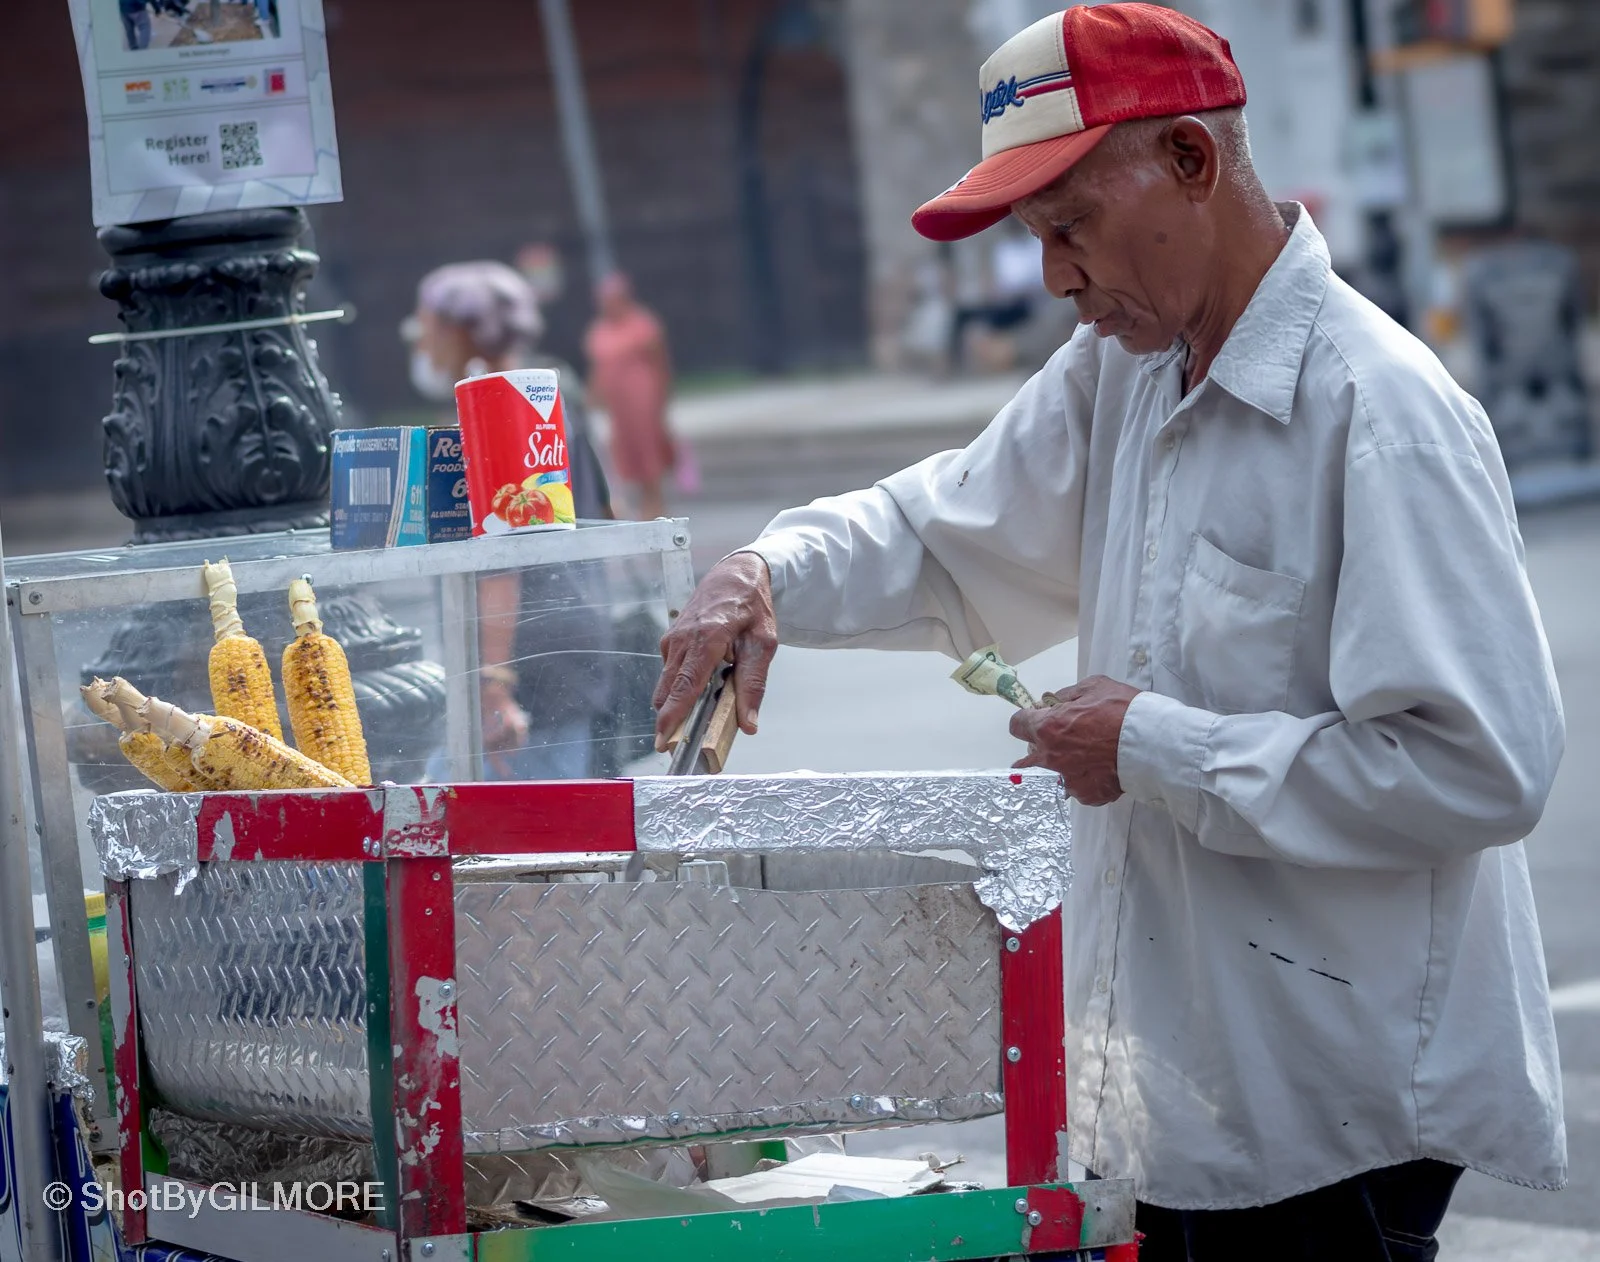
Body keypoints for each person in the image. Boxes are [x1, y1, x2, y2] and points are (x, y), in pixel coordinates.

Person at [652, 6, 1566, 1259]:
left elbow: (1480, 766)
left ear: (1191, 162)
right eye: (1038, 239)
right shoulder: (1126, 373)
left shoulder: (1381, 410)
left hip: (1335, 1115)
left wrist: (1152, 745)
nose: (1056, 279)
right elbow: (940, 528)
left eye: (1069, 227)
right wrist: (766, 570)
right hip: (1180, 1096)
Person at [407, 260, 615, 779]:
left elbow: (503, 558)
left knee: (475, 820)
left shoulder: (495, 409)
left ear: (460, 332)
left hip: (528, 657)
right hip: (571, 634)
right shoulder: (551, 395)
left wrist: (494, 682)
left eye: (424, 328)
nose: (419, 344)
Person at [584, 272, 676, 521]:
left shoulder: (643, 324)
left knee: (648, 448)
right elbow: (598, 368)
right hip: (617, 404)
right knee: (625, 451)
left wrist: (662, 399)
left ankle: (655, 502)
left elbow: (660, 363)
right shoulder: (600, 330)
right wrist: (592, 399)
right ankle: (640, 503)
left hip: (641, 396)